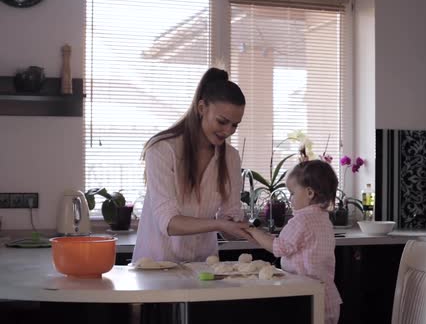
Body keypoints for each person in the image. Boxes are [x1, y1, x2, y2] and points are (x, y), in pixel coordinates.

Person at [132, 67, 251, 264]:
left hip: (203, 269)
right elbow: (168, 223)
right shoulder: (162, 150)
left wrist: (241, 227)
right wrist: (220, 224)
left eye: (235, 125)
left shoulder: (230, 157)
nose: (228, 131)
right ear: (202, 108)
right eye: (222, 122)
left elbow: (229, 217)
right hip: (155, 267)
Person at [246, 160, 343, 324]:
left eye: (292, 193)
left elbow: (278, 247)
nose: (290, 199)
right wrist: (256, 236)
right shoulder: (323, 219)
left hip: (307, 298)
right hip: (328, 298)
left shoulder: (302, 220)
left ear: (309, 193)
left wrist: (252, 230)